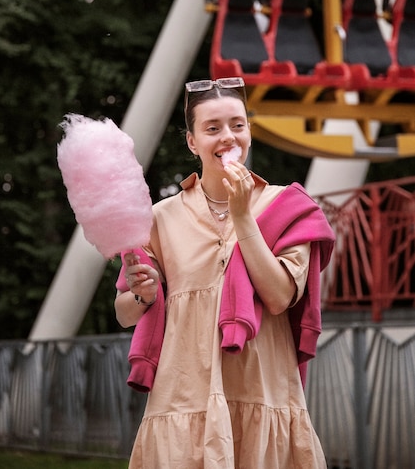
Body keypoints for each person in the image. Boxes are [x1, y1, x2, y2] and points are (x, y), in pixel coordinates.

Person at [114, 77, 335, 469]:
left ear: (249, 130)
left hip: (262, 393)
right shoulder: (158, 218)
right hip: (183, 399)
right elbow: (125, 312)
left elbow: (281, 296)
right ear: (192, 142)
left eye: (237, 125)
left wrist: (242, 217)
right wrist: (142, 294)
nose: (228, 137)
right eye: (212, 128)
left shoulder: (288, 207)